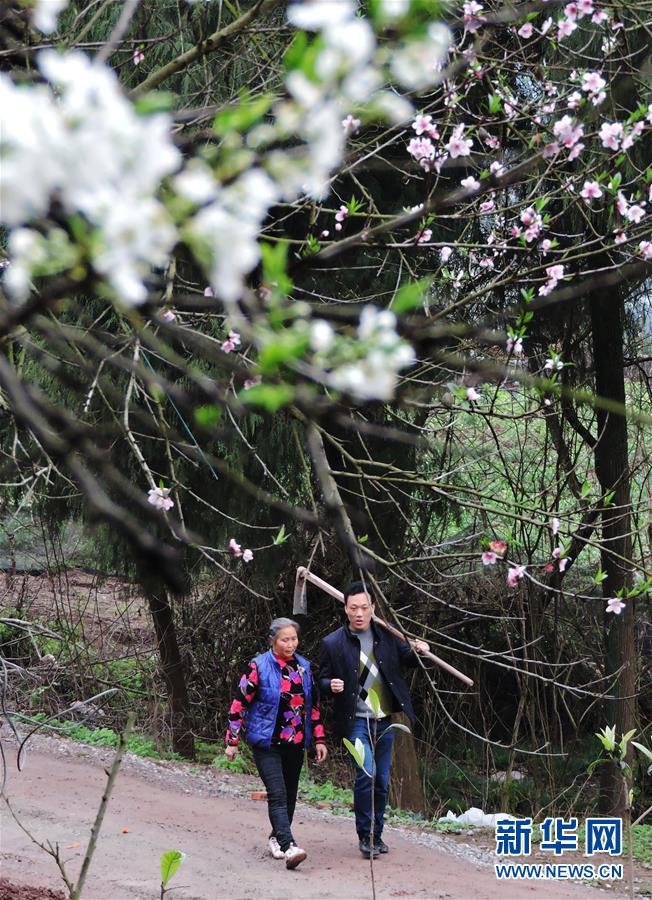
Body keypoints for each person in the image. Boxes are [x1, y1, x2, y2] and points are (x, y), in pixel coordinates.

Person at [319, 581, 429, 859]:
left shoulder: (387, 635)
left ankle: (377, 834)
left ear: (373, 608)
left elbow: (409, 659)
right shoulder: (333, 643)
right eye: (353, 608)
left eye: (364, 608)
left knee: (381, 780)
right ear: (345, 609)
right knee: (366, 773)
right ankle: (365, 835)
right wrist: (328, 684)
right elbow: (319, 678)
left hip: (384, 720)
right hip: (355, 720)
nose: (359, 613)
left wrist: (419, 649)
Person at [225, 617, 327, 869]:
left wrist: (320, 739)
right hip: (266, 742)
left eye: (294, 639)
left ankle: (275, 837)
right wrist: (232, 740)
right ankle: (289, 845)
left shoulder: (304, 667)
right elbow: (240, 702)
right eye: (285, 639)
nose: (291, 644)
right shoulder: (258, 666)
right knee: (278, 793)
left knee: (290, 794)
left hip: (296, 741)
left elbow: (313, 708)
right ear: (272, 640)